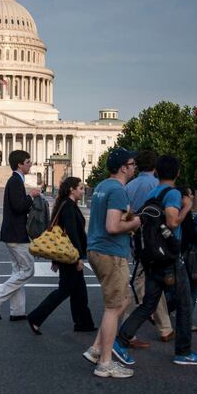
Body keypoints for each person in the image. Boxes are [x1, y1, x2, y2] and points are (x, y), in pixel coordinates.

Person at [116, 155, 197, 366]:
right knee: (184, 304)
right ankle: (183, 352)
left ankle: (120, 340)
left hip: (152, 256)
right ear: (177, 173)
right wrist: (187, 206)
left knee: (148, 304)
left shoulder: (153, 193)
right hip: (169, 257)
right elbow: (173, 222)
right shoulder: (173, 194)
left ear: (157, 172)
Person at [81, 148, 142, 379]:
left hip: (97, 248)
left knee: (123, 300)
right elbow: (113, 226)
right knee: (114, 306)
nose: (134, 166)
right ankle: (105, 363)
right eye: (132, 163)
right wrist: (135, 223)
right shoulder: (117, 190)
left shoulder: (102, 186)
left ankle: (97, 348)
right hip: (110, 252)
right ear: (123, 167)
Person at [27, 177, 96, 334]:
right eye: (80, 188)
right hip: (71, 255)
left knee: (80, 291)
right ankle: (36, 317)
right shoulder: (69, 207)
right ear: (72, 189)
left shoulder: (65, 205)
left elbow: (58, 234)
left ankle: (83, 323)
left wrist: (56, 258)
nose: (82, 191)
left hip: (67, 254)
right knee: (64, 290)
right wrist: (78, 258)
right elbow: (71, 234)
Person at [123, 151, 174, 347]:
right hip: (158, 242)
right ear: (154, 167)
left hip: (137, 240)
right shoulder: (158, 187)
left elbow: (126, 214)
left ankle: (165, 327)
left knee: (149, 283)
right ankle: (126, 327)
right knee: (140, 285)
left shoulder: (130, 186)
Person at [0, 150, 41, 321]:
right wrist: (31, 196)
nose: (30, 164)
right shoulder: (15, 181)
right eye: (28, 161)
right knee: (28, 270)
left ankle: (17, 311)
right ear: (20, 164)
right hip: (16, 233)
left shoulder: (16, 180)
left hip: (12, 232)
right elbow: (18, 206)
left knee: (18, 271)